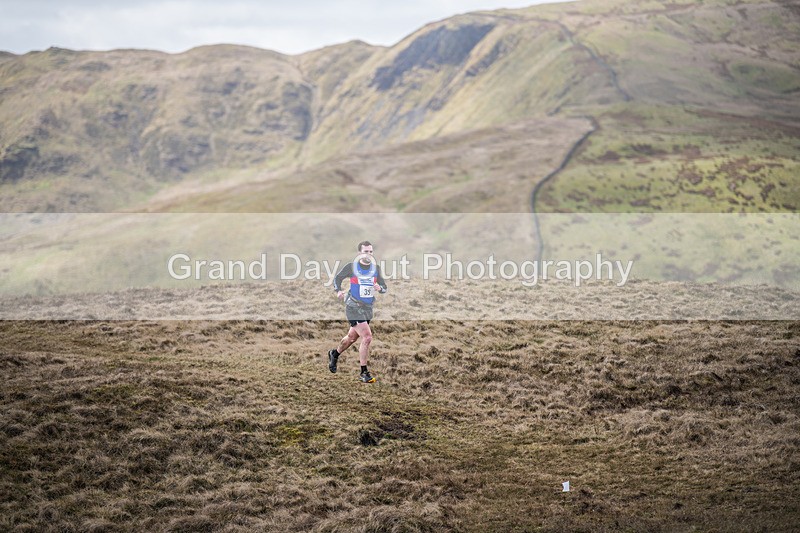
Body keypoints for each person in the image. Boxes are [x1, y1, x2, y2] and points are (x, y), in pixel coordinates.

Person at [327, 240, 387, 383]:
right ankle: (364, 372)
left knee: (352, 337)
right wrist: (338, 290)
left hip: (367, 309)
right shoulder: (352, 267)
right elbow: (337, 278)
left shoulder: (375, 269)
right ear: (360, 253)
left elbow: (384, 287)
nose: (369, 254)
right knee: (367, 337)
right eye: (366, 251)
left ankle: (334, 354)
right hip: (353, 307)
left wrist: (380, 288)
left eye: (371, 251)